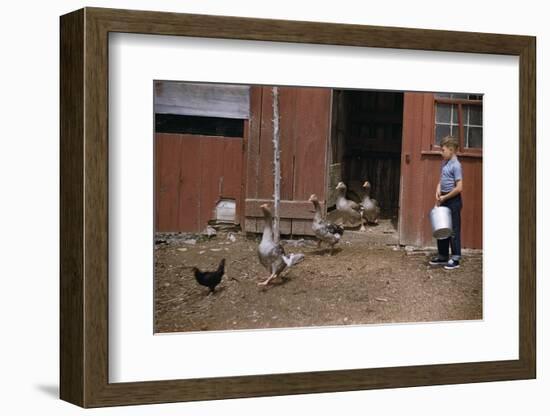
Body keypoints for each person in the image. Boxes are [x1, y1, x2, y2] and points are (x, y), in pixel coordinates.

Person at [429, 136, 463, 270]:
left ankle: (455, 258)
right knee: (441, 227)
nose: (441, 152)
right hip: (443, 198)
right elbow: (441, 180)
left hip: (453, 200)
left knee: (453, 230)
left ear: (451, 150)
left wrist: (446, 197)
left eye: (443, 150)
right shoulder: (445, 163)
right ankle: (443, 256)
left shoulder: (456, 165)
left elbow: (459, 188)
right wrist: (438, 190)